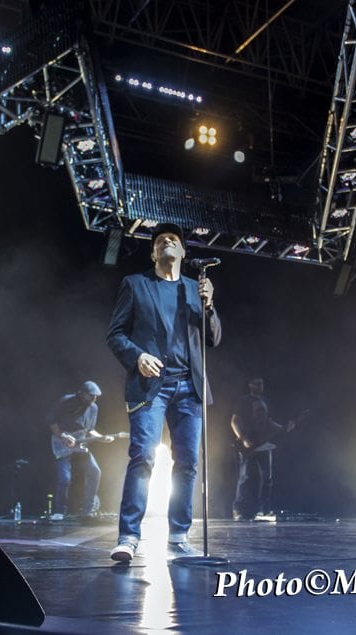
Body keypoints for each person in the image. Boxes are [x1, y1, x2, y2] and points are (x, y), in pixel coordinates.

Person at [106, 223, 221, 561]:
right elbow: (115, 334)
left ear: (183, 253)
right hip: (150, 387)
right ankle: (128, 536)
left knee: (187, 463)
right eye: (160, 240)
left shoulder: (195, 289)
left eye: (173, 239)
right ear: (153, 253)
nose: (167, 241)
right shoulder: (135, 284)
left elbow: (213, 339)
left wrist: (209, 305)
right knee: (143, 456)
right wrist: (137, 356)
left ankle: (179, 537)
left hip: (189, 387)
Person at [46, 380, 114, 520]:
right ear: (82, 393)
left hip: (80, 444)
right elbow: (51, 421)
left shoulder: (93, 408)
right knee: (65, 478)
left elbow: (90, 430)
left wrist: (101, 438)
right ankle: (59, 511)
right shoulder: (66, 401)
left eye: (96, 396)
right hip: (62, 442)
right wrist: (63, 436)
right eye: (91, 396)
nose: (94, 399)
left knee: (95, 471)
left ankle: (88, 510)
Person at [230, 378, 295, 520]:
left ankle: (263, 510)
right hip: (248, 444)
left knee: (267, 478)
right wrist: (243, 439)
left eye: (262, 383)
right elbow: (234, 421)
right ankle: (238, 509)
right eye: (257, 383)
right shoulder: (243, 401)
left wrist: (284, 428)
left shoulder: (266, 401)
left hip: (264, 444)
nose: (260, 386)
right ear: (250, 385)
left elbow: (269, 422)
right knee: (244, 477)